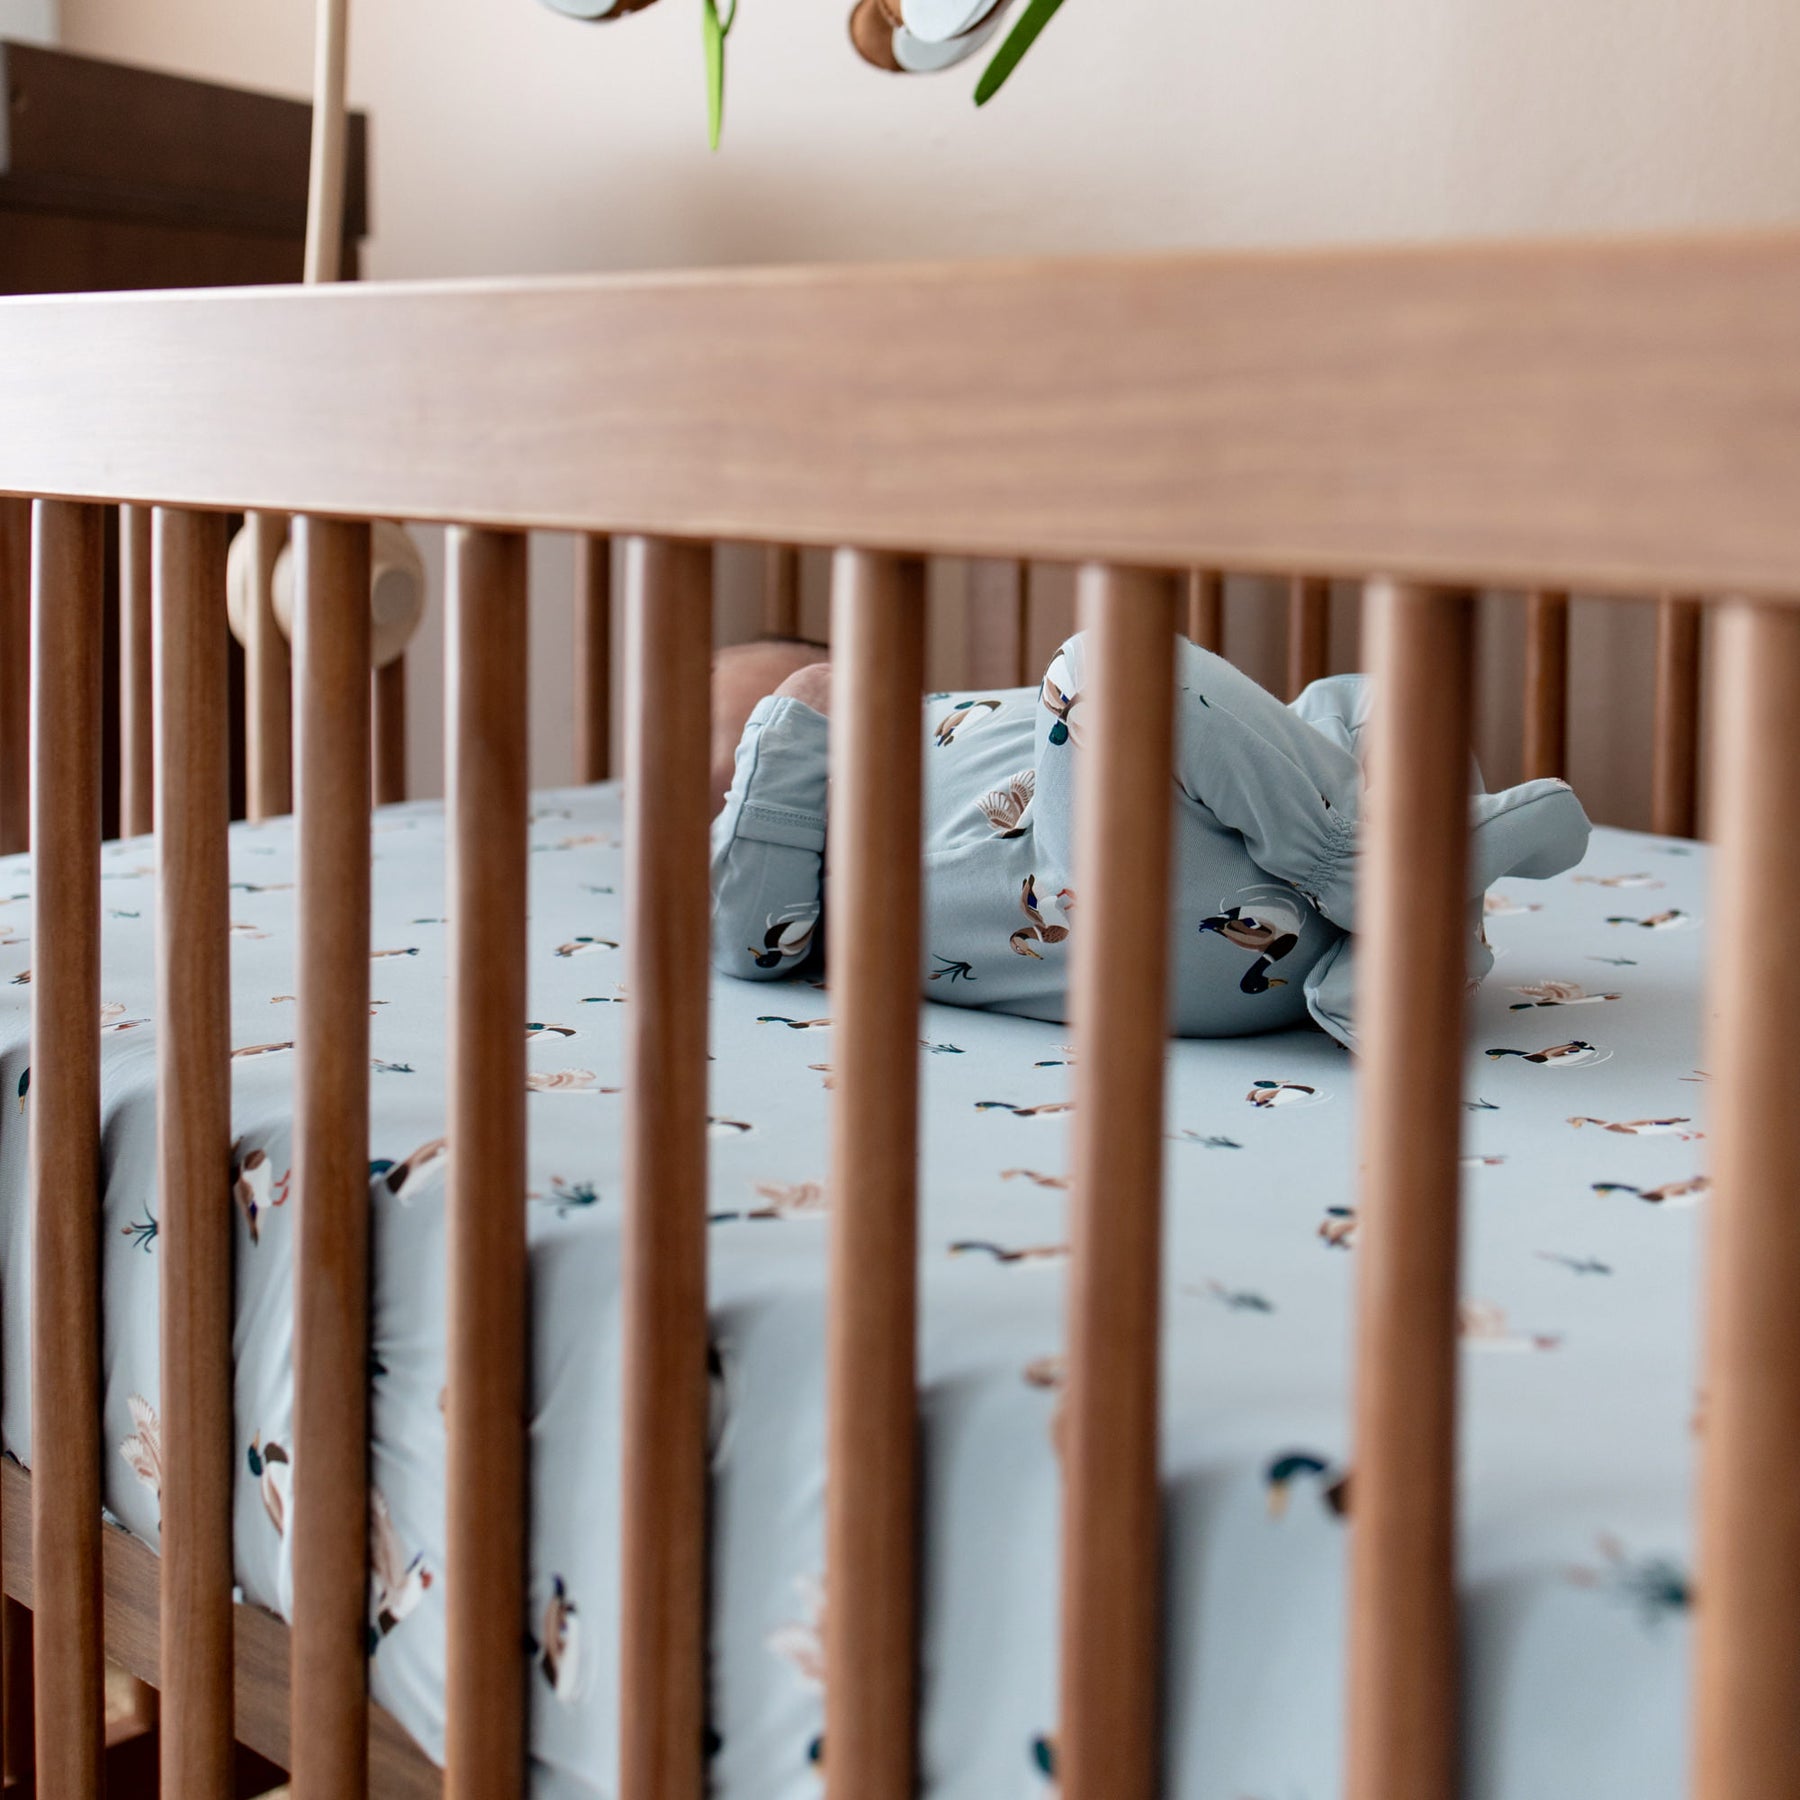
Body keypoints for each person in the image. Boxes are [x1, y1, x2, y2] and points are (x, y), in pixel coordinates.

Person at [707, 632, 1590, 1047]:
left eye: (765, 713)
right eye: (753, 748)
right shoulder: (777, 853)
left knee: (1359, 702)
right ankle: (1380, 876)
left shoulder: (941, 726)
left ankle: (1393, 949)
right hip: (1125, 916)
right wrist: (783, 749)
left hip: (1267, 899)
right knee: (1110, 655)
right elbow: (748, 944)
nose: (764, 741)